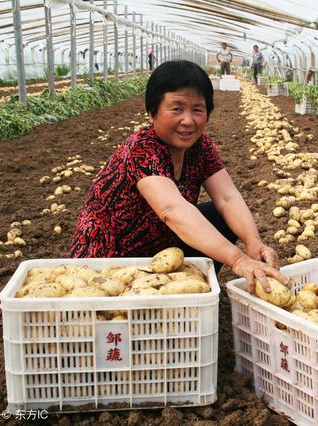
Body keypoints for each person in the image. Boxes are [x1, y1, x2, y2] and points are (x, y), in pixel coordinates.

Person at [71, 60, 282, 292]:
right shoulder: (141, 148)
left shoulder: (200, 146)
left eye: (198, 109)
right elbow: (171, 210)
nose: (188, 120)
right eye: (177, 108)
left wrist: (252, 241)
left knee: (221, 216)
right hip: (111, 263)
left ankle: (190, 289)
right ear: (152, 112)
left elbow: (227, 197)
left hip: (163, 249)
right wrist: (237, 259)